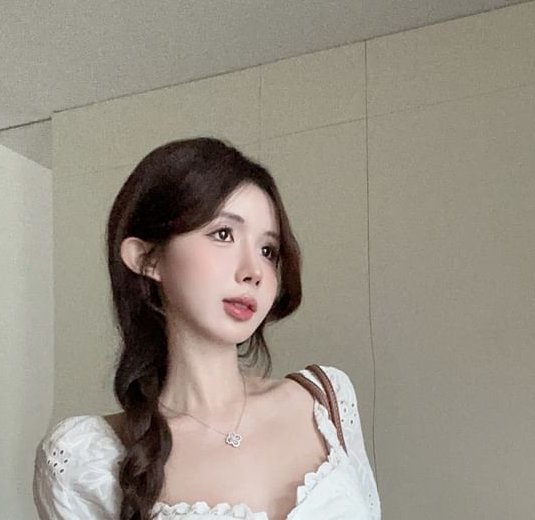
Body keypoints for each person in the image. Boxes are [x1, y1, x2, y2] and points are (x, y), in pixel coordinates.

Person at [32, 138, 381, 520]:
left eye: (268, 250)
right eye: (223, 234)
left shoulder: (325, 400)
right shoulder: (85, 460)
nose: (253, 271)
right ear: (147, 258)